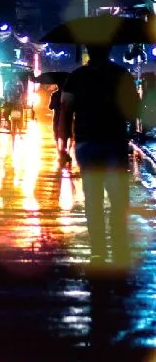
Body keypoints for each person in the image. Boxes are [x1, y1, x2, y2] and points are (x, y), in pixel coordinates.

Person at [59, 42, 140, 266]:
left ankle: (98, 251)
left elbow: (65, 114)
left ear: (88, 52)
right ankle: (119, 247)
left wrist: (63, 149)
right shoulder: (121, 75)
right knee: (118, 198)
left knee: (93, 198)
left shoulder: (76, 77)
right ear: (109, 51)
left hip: (87, 144)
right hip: (114, 143)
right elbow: (134, 109)